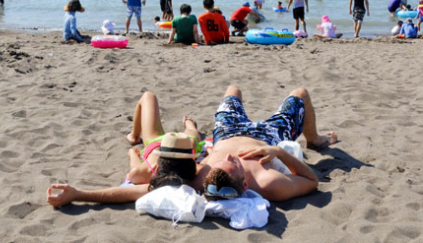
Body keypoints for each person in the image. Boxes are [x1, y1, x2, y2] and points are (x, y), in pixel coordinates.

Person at [47, 91, 202, 207]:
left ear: (156, 166)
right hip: (183, 146)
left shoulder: (144, 174)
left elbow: (120, 190)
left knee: (148, 96)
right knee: (192, 134)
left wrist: (132, 154)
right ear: (193, 164)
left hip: (167, 143)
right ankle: (189, 124)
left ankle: (134, 136)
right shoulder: (197, 175)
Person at [200, 85, 337, 202]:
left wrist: (210, 152)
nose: (229, 156)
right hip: (268, 136)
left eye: (220, 162)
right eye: (235, 163)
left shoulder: (203, 177)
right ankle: (314, 140)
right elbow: (312, 181)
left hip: (226, 131)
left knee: (233, 89)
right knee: (300, 93)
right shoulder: (267, 182)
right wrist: (278, 151)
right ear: (245, 184)